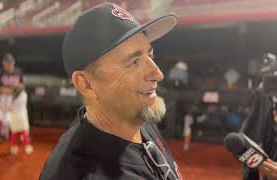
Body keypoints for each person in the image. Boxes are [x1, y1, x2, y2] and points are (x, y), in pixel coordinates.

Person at [40, 3, 181, 180]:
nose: (158, 74)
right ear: (86, 84)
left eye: (150, 56)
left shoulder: (136, 118)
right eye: (134, 62)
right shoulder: (80, 173)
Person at [0, 53, 24, 140]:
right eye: (7, 62)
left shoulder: (18, 71)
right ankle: (4, 134)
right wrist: (2, 90)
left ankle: (20, 134)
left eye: (10, 62)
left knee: (18, 116)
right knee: (4, 117)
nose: (9, 64)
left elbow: (21, 85)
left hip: (15, 98)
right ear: (4, 63)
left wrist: (14, 92)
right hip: (3, 97)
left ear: (14, 62)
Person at [9, 83, 33, 155]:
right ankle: (27, 147)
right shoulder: (24, 94)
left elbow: (10, 107)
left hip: (13, 116)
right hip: (21, 115)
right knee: (24, 132)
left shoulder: (13, 96)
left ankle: (13, 148)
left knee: (14, 133)